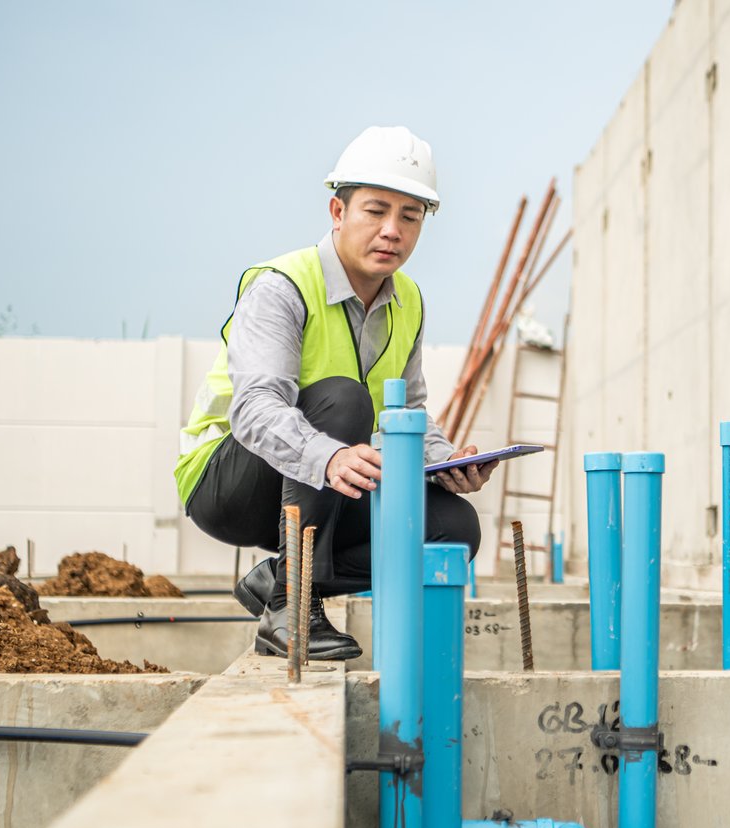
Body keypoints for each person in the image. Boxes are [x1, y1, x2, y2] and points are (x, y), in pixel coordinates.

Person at [174, 126, 493, 661]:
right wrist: (331, 454)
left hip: (322, 492)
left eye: (410, 216)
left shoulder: (408, 301)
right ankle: (290, 607)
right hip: (230, 482)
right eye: (376, 210)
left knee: (451, 529)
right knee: (344, 400)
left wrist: (446, 464)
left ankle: (282, 579)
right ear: (338, 212)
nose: (392, 230)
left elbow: (408, 408)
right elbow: (253, 411)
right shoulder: (283, 286)